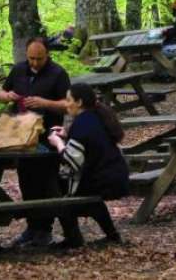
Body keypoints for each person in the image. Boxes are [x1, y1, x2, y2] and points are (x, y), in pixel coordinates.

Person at [0, 37, 70, 247]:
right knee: (26, 180)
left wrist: (44, 103)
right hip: (20, 135)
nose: (35, 63)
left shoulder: (58, 73)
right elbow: (1, 92)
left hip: (48, 137)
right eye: (31, 58)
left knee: (47, 182)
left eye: (39, 58)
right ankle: (32, 227)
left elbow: (68, 105)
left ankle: (45, 229)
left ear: (47, 55)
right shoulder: (19, 70)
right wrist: (7, 96)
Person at [47, 83, 129, 249]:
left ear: (79, 102)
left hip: (103, 180)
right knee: (79, 192)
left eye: (69, 100)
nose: (66, 103)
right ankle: (111, 235)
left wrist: (58, 143)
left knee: (56, 188)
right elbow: (89, 144)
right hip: (116, 176)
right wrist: (68, 134)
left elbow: (72, 161)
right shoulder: (96, 117)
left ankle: (73, 239)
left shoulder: (82, 124)